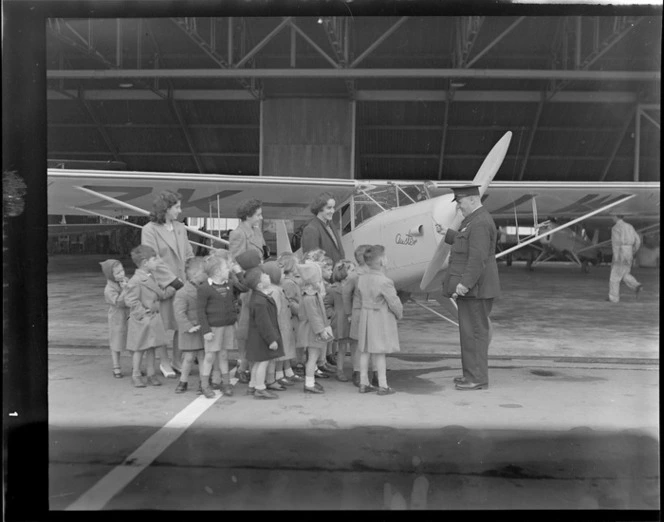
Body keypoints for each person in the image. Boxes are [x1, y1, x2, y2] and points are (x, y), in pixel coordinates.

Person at [435, 185, 500, 391]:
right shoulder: (474, 220)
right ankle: (470, 375)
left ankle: (477, 379)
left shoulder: (479, 222)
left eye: (460, 202)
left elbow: (477, 258)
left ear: (472, 200)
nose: (459, 208)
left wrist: (464, 284)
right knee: (469, 333)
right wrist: (449, 234)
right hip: (474, 289)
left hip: (475, 289)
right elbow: (467, 242)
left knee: (475, 334)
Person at [141, 190, 194, 378]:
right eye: (177, 207)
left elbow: (188, 255)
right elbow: (153, 258)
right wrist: (173, 281)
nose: (180, 211)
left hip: (182, 283)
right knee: (162, 325)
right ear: (166, 209)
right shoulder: (149, 229)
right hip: (163, 285)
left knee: (181, 322)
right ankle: (164, 362)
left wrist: (191, 276)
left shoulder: (180, 227)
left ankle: (177, 360)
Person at [124, 245, 176, 388]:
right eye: (154, 259)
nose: (157, 261)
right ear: (145, 262)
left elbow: (158, 293)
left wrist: (170, 291)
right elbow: (130, 300)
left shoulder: (150, 276)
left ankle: (151, 373)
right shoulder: (136, 280)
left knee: (152, 347)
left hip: (152, 318)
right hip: (143, 319)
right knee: (139, 348)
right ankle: (136, 374)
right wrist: (142, 313)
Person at [356, 245, 403, 395]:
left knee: (364, 350)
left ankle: (363, 383)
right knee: (380, 352)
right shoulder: (385, 281)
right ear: (382, 260)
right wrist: (399, 314)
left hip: (365, 316)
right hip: (379, 318)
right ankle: (383, 385)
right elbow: (394, 302)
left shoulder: (361, 279)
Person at [196, 255, 245, 399]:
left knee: (224, 355)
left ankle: (226, 383)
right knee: (210, 356)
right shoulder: (204, 288)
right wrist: (205, 330)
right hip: (213, 328)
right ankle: (205, 385)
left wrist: (238, 273)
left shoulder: (229, 284)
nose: (228, 269)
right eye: (225, 267)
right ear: (217, 271)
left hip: (227, 326)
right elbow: (200, 311)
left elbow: (245, 287)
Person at [229, 199, 267, 382]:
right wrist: (244, 281)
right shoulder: (238, 233)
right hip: (246, 285)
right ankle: (242, 364)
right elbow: (234, 261)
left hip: (257, 278)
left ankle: (249, 363)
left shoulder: (257, 231)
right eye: (258, 214)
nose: (261, 217)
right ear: (248, 216)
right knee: (245, 328)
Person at [244, 267, 285, 400]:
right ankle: (260, 388)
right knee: (263, 363)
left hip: (258, 337)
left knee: (258, 362)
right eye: (264, 276)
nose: (267, 275)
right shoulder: (260, 301)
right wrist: (272, 340)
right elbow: (264, 323)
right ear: (260, 285)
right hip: (263, 338)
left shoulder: (259, 297)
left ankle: (252, 385)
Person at [342, 244, 376, 387]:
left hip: (372, 312)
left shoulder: (375, 272)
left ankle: (374, 371)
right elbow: (345, 294)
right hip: (358, 312)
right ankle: (357, 371)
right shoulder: (354, 275)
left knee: (373, 343)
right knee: (357, 344)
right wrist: (349, 312)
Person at [298, 262, 334, 394]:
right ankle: (309, 383)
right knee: (313, 357)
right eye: (318, 279)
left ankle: (310, 380)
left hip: (312, 330)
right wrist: (321, 330)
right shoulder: (310, 297)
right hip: (313, 331)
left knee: (313, 356)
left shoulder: (311, 294)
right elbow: (314, 317)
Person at [172, 257, 206, 394]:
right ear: (196, 273)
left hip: (202, 328)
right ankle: (183, 380)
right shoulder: (182, 293)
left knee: (202, 356)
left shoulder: (204, 289)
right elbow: (179, 314)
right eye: (204, 271)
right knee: (189, 357)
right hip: (190, 331)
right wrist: (188, 326)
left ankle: (203, 382)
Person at [277, 253, 306, 381]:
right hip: (291, 318)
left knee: (288, 345)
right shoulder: (289, 283)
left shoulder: (288, 281)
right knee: (286, 345)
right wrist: (300, 310)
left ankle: (288, 370)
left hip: (291, 317)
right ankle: (281, 373)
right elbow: (288, 301)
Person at [99, 259, 129, 379]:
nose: (121, 274)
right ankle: (116, 366)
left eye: (122, 271)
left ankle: (135, 366)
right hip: (117, 316)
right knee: (116, 340)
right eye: (117, 273)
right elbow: (118, 303)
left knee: (133, 338)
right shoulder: (109, 289)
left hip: (129, 314)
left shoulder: (126, 281)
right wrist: (126, 290)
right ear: (111, 276)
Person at [301, 192, 345, 264]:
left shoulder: (331, 225)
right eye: (329, 208)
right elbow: (312, 262)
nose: (333, 211)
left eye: (333, 207)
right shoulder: (311, 229)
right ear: (319, 208)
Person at [329, 259, 355, 382]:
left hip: (353, 320)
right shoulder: (333, 289)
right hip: (341, 321)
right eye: (352, 270)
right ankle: (339, 370)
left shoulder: (355, 286)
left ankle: (357, 370)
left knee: (355, 346)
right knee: (342, 347)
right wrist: (333, 315)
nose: (355, 273)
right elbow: (327, 304)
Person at [608, 213, 643, 303]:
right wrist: (633, 250)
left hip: (620, 252)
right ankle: (636, 285)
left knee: (614, 277)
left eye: (612, 216)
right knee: (625, 273)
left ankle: (614, 298)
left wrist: (616, 257)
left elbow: (615, 244)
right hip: (629, 251)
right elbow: (638, 240)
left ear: (616, 216)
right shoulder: (630, 226)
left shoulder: (615, 228)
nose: (612, 217)